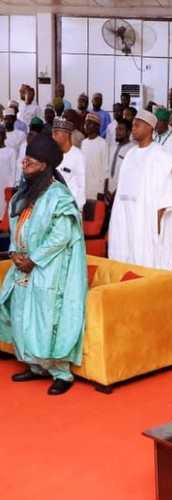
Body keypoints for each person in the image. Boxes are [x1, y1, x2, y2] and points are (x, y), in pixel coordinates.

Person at [2, 133, 87, 396]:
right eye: (25, 158)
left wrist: (33, 259)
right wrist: (15, 252)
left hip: (50, 268)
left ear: (45, 165)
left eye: (31, 160)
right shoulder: (25, 193)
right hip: (23, 265)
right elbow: (16, 225)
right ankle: (35, 366)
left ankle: (61, 373)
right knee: (20, 314)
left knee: (48, 318)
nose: (24, 163)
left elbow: (61, 235)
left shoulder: (59, 196)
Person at [107, 109, 172, 270]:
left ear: (149, 128)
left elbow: (166, 197)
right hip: (126, 217)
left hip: (146, 220)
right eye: (132, 125)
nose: (133, 128)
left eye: (137, 125)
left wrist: (157, 228)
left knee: (145, 261)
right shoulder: (130, 154)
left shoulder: (161, 156)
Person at [51, 119, 85, 207]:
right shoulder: (51, 154)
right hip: (54, 206)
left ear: (66, 134)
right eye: (52, 133)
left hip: (70, 207)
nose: (53, 136)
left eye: (56, 133)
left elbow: (81, 186)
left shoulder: (78, 156)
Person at [79, 113, 109, 201]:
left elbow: (105, 170)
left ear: (97, 126)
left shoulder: (103, 143)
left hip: (97, 191)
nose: (86, 126)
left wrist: (102, 191)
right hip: (84, 189)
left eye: (89, 123)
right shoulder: (84, 143)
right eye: (85, 123)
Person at [106, 118, 135, 198]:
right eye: (116, 129)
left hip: (122, 193)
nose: (117, 132)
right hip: (108, 192)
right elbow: (107, 170)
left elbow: (130, 176)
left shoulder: (132, 150)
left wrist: (116, 192)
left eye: (121, 129)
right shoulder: (112, 147)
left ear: (129, 132)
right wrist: (106, 189)